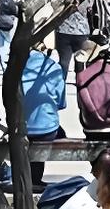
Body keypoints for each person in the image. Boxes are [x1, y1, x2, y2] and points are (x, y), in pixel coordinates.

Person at [21, 41, 67, 184]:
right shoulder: (54, 67)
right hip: (47, 127)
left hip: (22, 125)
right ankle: (35, 179)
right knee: (55, 131)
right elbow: (61, 102)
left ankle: (30, 177)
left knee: (35, 137)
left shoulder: (17, 67)